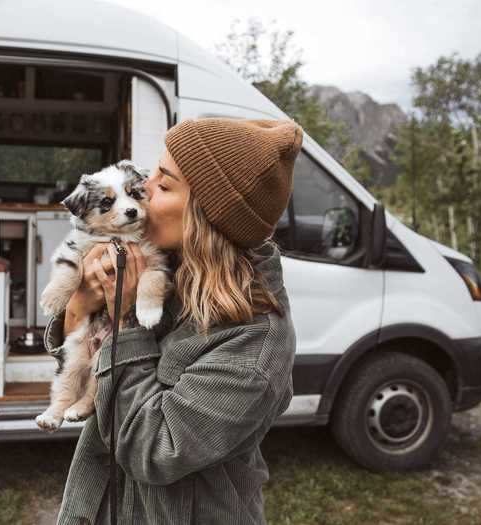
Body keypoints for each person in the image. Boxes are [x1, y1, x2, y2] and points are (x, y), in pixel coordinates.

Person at [45, 117, 303, 524]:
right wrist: (81, 306)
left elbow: (154, 450)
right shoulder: (169, 270)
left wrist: (124, 317)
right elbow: (90, 373)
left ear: (206, 218)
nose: (143, 189)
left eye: (163, 184)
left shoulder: (255, 344)